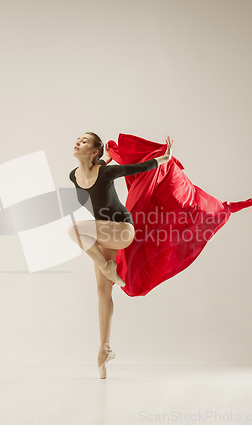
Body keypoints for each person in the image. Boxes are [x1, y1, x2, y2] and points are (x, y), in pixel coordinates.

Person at [67, 132, 173, 379]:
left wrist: (164, 158)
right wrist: (104, 158)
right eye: (78, 139)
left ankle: (107, 267)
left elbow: (139, 167)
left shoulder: (105, 173)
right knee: (103, 292)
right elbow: (100, 166)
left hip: (122, 230)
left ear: (93, 151)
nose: (77, 142)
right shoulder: (74, 175)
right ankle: (104, 349)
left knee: (74, 230)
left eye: (84, 141)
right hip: (103, 232)